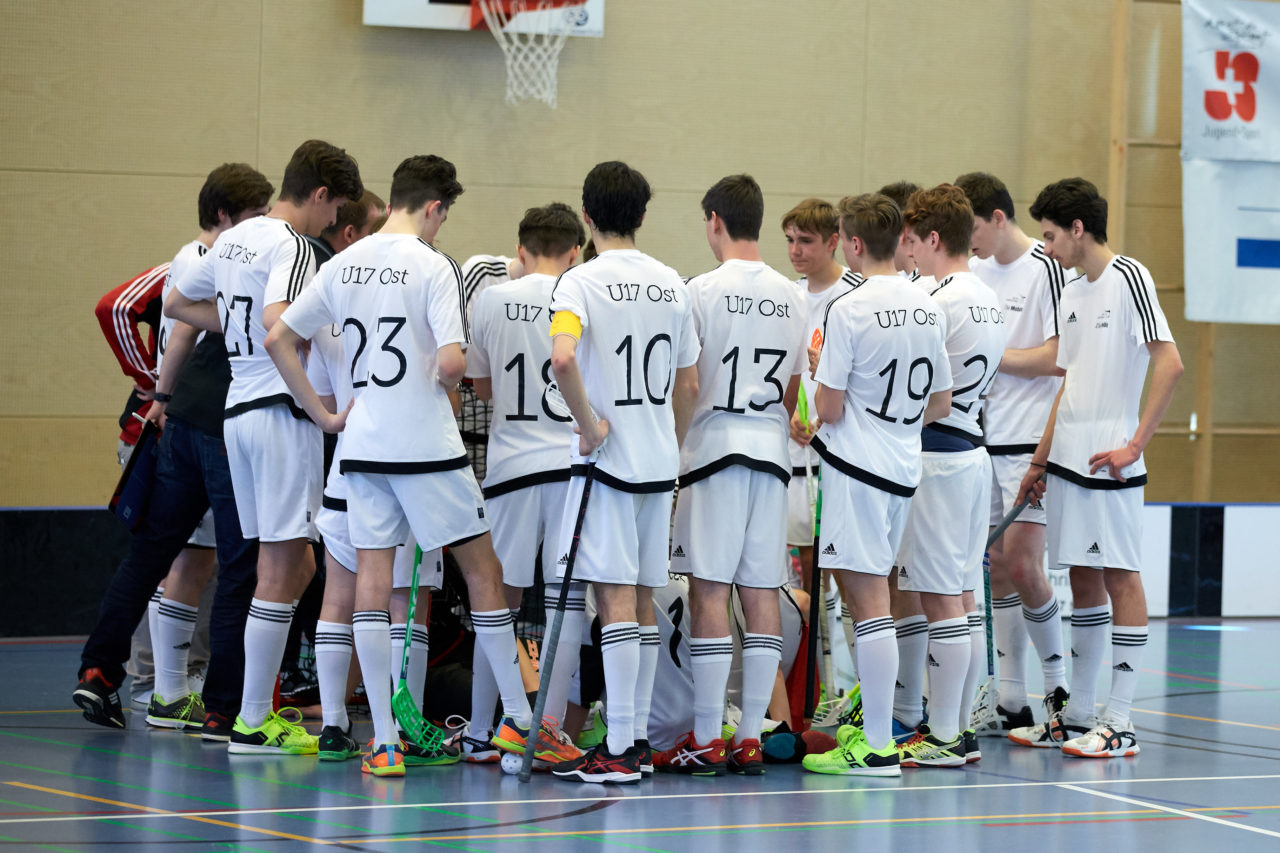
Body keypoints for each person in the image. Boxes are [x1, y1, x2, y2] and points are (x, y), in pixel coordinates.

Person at [265, 153, 534, 777]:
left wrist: (325, 416)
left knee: (372, 585)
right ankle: (519, 721)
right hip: (426, 448)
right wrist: (458, 366)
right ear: (436, 207)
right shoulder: (432, 265)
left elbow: (279, 335)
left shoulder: (343, 263)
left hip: (363, 449)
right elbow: (447, 365)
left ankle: (382, 739)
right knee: (485, 572)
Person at [167, 139, 363, 755]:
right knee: (287, 567)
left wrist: (247, 330)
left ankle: (253, 714)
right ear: (321, 195)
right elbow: (282, 327)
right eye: (334, 212)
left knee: (282, 565)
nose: (333, 225)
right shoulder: (295, 246)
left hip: (236, 417)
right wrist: (323, 413)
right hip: (280, 418)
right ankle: (252, 719)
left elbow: (175, 300)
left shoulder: (235, 239)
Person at [73, 164, 274, 735]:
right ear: (223, 216)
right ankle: (215, 703)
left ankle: (114, 674)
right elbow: (152, 318)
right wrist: (151, 385)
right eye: (255, 215)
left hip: (177, 417)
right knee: (230, 563)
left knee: (167, 558)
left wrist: (162, 393)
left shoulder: (218, 260)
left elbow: (182, 330)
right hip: (204, 422)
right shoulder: (199, 261)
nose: (262, 226)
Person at [1014, 177, 1182, 758]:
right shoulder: (1071, 289)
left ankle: (1121, 719)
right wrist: (1040, 460)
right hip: (1066, 463)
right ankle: (1079, 714)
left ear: (1078, 228)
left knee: (1119, 576)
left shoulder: (1129, 276)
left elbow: (1171, 364)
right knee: (1082, 579)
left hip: (1111, 462)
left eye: (1053, 235)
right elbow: (1070, 380)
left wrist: (1134, 444)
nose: (1049, 247)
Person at [546, 160, 701, 783]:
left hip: (608, 466)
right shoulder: (674, 284)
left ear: (587, 216)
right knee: (638, 598)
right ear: (641, 215)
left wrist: (588, 425)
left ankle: (619, 746)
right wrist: (671, 441)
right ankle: (630, 741)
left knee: (612, 599)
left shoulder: (577, 283)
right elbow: (689, 380)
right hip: (657, 465)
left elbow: (562, 358)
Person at [658, 174, 805, 776]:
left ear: (715, 220)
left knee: (709, 589)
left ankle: (705, 732)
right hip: (771, 456)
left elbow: (687, 383)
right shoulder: (795, 296)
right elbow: (794, 389)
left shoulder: (699, 290)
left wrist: (678, 448)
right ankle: (750, 735)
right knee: (762, 590)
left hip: (714, 450)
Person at [800, 193, 951, 777]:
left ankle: (878, 745)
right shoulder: (928, 305)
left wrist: (818, 376)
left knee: (868, 608)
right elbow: (941, 399)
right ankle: (881, 733)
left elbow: (830, 407)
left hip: (856, 471)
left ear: (853, 244)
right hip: (902, 469)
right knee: (878, 602)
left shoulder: (850, 308)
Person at [461, 203, 586, 763]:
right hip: (569, 465)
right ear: (575, 252)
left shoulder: (490, 298)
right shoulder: (581, 296)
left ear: (521, 249)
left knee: (498, 599)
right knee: (566, 598)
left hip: (510, 467)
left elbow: (480, 386)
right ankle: (547, 729)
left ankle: (483, 731)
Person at [894, 184, 1006, 766]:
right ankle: (956, 731)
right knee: (961, 597)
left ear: (933, 239)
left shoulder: (938, 301)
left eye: (912, 241)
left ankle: (941, 735)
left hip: (937, 455)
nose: (907, 253)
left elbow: (917, 387)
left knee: (940, 600)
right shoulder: (987, 297)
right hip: (972, 451)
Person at [954, 171, 1070, 738]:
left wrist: (993, 358)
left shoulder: (1045, 268)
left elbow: (1058, 355)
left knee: (1026, 566)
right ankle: (1010, 698)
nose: (967, 238)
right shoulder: (971, 272)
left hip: (1029, 441)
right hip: (982, 438)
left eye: (972, 226)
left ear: (998, 219)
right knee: (997, 570)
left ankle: (1060, 692)